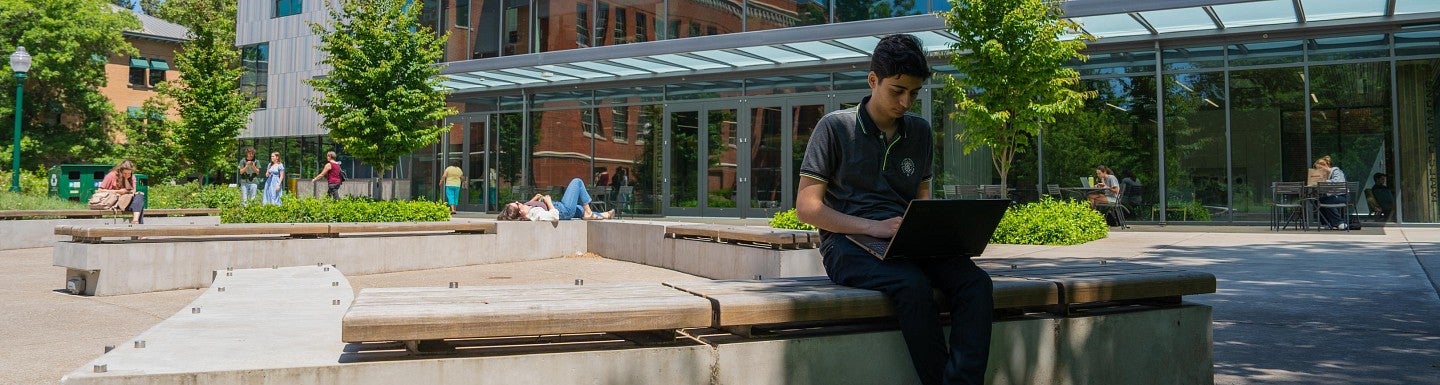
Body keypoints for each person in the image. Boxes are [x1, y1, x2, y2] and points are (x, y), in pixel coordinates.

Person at [795, 34, 990, 385]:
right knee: (911, 285)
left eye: (914, 93)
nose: (905, 102)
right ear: (873, 80)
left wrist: (934, 232)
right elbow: (807, 209)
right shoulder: (835, 127)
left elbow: (922, 198)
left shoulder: (920, 132)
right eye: (897, 90)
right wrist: (873, 228)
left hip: (906, 240)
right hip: (846, 245)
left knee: (975, 283)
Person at [496, 178, 614, 221]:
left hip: (563, 208)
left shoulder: (526, 210)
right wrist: (548, 202)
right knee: (577, 182)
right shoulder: (534, 213)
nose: (518, 202)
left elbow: (528, 206)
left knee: (579, 208)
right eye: (517, 204)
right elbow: (554, 216)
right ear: (520, 212)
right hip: (563, 210)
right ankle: (588, 213)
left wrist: (535, 198)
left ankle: (604, 215)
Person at [97, 160, 147, 224]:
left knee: (140, 195)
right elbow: (100, 190)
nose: (127, 175)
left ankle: (135, 220)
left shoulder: (132, 177)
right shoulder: (111, 175)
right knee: (140, 206)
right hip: (113, 202)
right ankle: (137, 224)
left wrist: (126, 181)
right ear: (120, 171)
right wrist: (118, 191)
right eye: (125, 173)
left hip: (126, 201)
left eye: (129, 173)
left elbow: (133, 191)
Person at [1314, 155, 1348, 229]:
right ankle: (1327, 223)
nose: (1319, 171)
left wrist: (1324, 181)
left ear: (1325, 165)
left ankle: (1339, 222)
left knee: (1328, 201)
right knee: (1318, 201)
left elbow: (1337, 182)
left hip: (1343, 196)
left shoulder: (1336, 171)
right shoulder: (1327, 175)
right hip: (1335, 196)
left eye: (1319, 168)